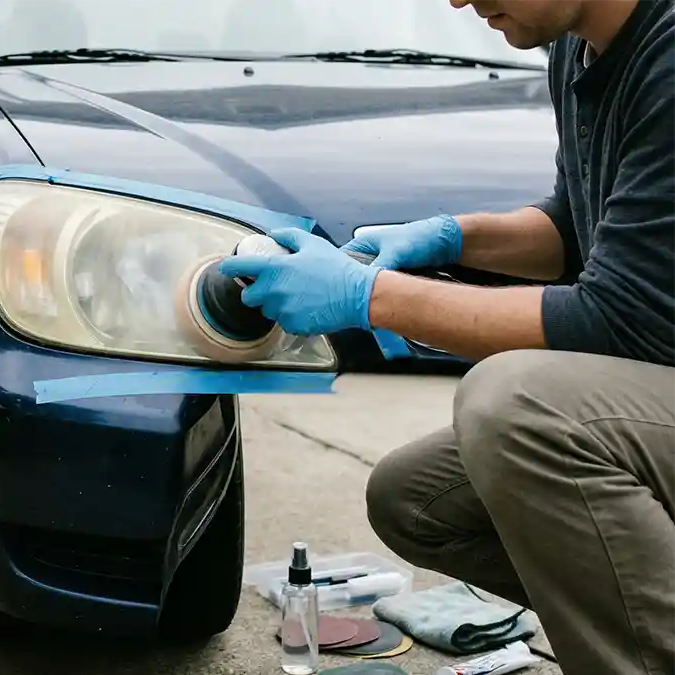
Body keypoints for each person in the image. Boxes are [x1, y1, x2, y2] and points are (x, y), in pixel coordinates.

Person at [217, 0, 675, 673]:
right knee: (415, 499)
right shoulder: (581, 50)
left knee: (517, 407)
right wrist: (449, 237)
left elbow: (616, 320)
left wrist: (366, 298)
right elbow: (579, 229)